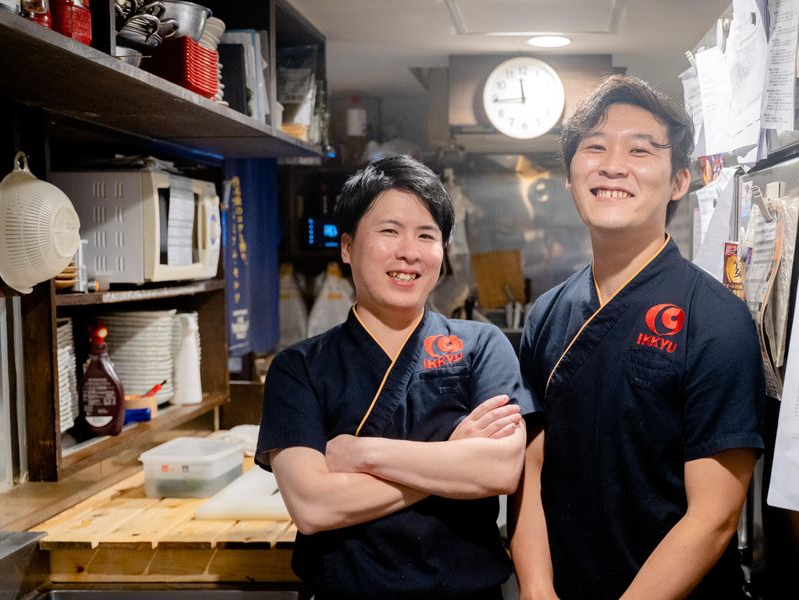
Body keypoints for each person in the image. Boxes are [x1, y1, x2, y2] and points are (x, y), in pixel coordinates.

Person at [510, 75, 764, 600]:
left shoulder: (716, 319)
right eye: (595, 148)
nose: (613, 165)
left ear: (678, 182)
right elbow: (529, 469)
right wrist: (535, 587)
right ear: (570, 177)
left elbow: (713, 517)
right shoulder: (547, 314)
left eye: (640, 150)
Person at [256, 154, 538, 599]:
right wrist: (452, 459)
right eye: (389, 231)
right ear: (347, 246)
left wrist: (361, 454)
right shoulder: (299, 367)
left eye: (426, 235)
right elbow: (312, 506)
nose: (409, 251)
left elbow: (499, 469)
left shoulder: (482, 345)